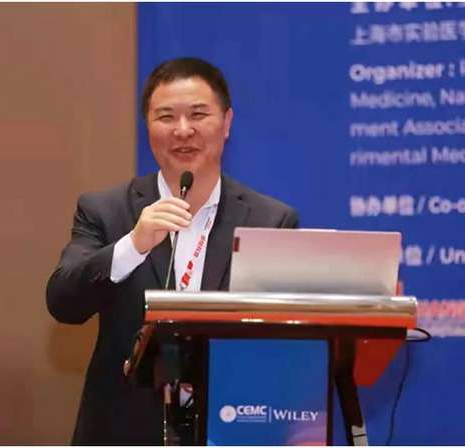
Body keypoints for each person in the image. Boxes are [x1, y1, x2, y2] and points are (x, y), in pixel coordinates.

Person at [46, 57, 299, 445]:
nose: (183, 130)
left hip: (233, 425)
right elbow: (63, 302)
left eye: (198, 114)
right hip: (126, 431)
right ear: (147, 126)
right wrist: (133, 245)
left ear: (227, 122)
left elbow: (285, 343)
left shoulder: (271, 220)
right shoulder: (105, 211)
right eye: (166, 117)